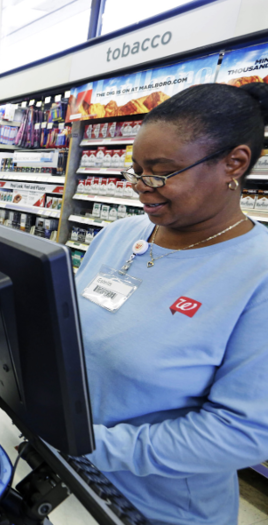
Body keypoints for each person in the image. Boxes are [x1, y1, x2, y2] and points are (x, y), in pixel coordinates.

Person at [75, 82, 268, 525]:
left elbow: (243, 431)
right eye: (137, 170)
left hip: (157, 508)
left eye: (161, 172)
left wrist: (90, 443)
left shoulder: (258, 274)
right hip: (71, 470)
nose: (143, 187)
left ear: (233, 164)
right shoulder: (118, 235)